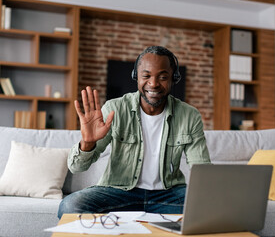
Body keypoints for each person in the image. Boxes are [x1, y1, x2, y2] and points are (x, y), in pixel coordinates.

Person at [58, 46, 210, 219]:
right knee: (71, 205)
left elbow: (201, 168)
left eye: (163, 77)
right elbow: (76, 167)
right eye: (146, 76)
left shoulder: (189, 115)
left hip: (169, 195)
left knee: (212, 207)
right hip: (119, 192)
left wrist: (210, 196)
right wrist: (87, 142)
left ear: (173, 79)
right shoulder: (114, 108)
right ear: (136, 77)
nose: (153, 83)